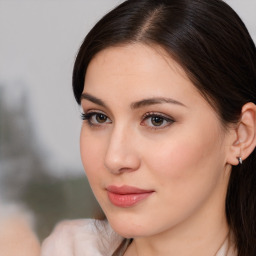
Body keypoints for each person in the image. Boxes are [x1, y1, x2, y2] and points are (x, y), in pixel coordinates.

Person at [41, 0, 256, 255]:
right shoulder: (67, 249)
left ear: (240, 135)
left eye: (157, 120)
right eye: (98, 117)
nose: (114, 158)